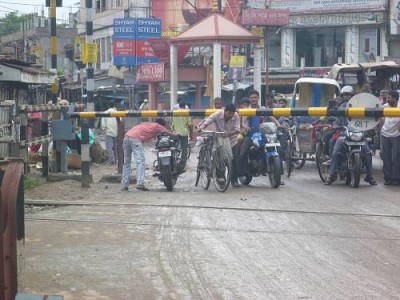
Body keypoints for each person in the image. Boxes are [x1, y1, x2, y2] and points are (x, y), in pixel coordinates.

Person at [324, 85, 377, 186]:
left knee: (368, 153)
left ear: (352, 95)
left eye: (348, 95)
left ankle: (369, 176)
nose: (346, 97)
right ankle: (331, 176)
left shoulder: (360, 106)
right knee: (336, 153)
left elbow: (367, 119)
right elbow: (336, 118)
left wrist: (370, 126)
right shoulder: (340, 106)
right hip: (344, 134)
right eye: (344, 95)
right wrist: (335, 125)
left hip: (359, 134)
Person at [121, 118, 179, 191]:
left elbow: (148, 135)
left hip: (126, 137)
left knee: (126, 163)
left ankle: (125, 184)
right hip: (135, 139)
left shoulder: (147, 124)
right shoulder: (157, 125)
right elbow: (168, 132)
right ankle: (140, 183)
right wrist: (175, 134)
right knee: (140, 161)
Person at [197, 103, 241, 187]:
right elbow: (208, 121)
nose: (231, 115)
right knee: (219, 158)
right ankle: (221, 177)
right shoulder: (217, 114)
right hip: (220, 139)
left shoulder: (236, 116)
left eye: (232, 113)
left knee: (234, 159)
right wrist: (201, 128)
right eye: (229, 113)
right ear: (225, 111)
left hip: (232, 140)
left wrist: (228, 134)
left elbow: (237, 129)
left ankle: (234, 180)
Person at [380, 90, 400, 185]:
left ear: (395, 98)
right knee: (386, 157)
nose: (387, 99)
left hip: (396, 135)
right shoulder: (384, 107)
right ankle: (387, 178)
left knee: (396, 157)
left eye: (389, 97)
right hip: (385, 135)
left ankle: (396, 178)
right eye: (387, 97)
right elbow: (380, 119)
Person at [171, 102, 193, 173]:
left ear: (179, 106)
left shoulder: (174, 112)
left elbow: (172, 124)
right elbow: (189, 124)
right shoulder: (186, 112)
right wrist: (191, 133)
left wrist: (173, 131)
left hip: (175, 133)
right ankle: (182, 166)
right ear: (185, 106)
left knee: (174, 148)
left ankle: (173, 162)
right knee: (184, 149)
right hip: (184, 133)